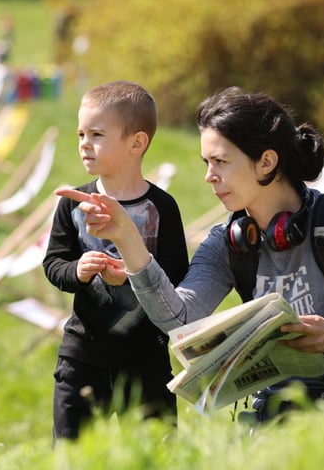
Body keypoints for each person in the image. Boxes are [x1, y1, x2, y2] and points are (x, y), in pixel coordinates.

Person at [56, 88, 324, 423]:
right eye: (206, 163)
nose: (209, 176)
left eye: (220, 162)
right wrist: (127, 238)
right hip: (284, 411)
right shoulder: (227, 242)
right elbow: (179, 319)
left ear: (266, 162)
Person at [43, 80, 189, 441]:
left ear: (136, 143)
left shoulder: (162, 208)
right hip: (83, 352)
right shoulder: (75, 202)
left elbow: (177, 274)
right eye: (80, 134)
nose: (84, 145)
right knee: (72, 455)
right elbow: (54, 262)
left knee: (155, 454)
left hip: (146, 357)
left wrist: (133, 274)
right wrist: (76, 271)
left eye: (96, 134)